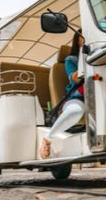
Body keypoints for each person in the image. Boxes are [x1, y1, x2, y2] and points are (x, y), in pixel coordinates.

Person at [39, 30, 85, 159]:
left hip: (100, 95)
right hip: (78, 96)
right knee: (75, 111)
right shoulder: (71, 59)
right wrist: (85, 61)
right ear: (78, 41)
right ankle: (47, 139)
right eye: (83, 36)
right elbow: (74, 79)